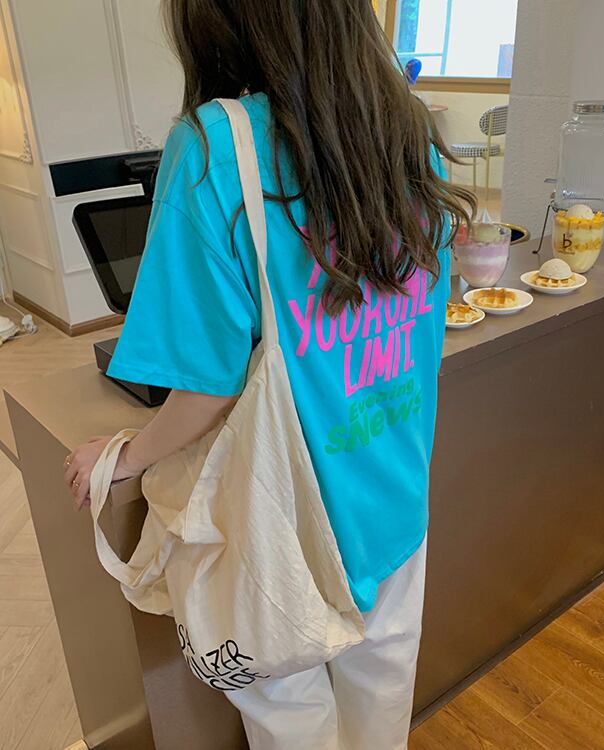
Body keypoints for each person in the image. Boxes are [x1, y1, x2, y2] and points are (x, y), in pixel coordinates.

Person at [63, 0, 475, 747]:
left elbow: (208, 386)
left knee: (290, 720)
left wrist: (124, 457)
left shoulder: (215, 147)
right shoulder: (410, 130)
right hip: (394, 493)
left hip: (282, 517)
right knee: (382, 703)